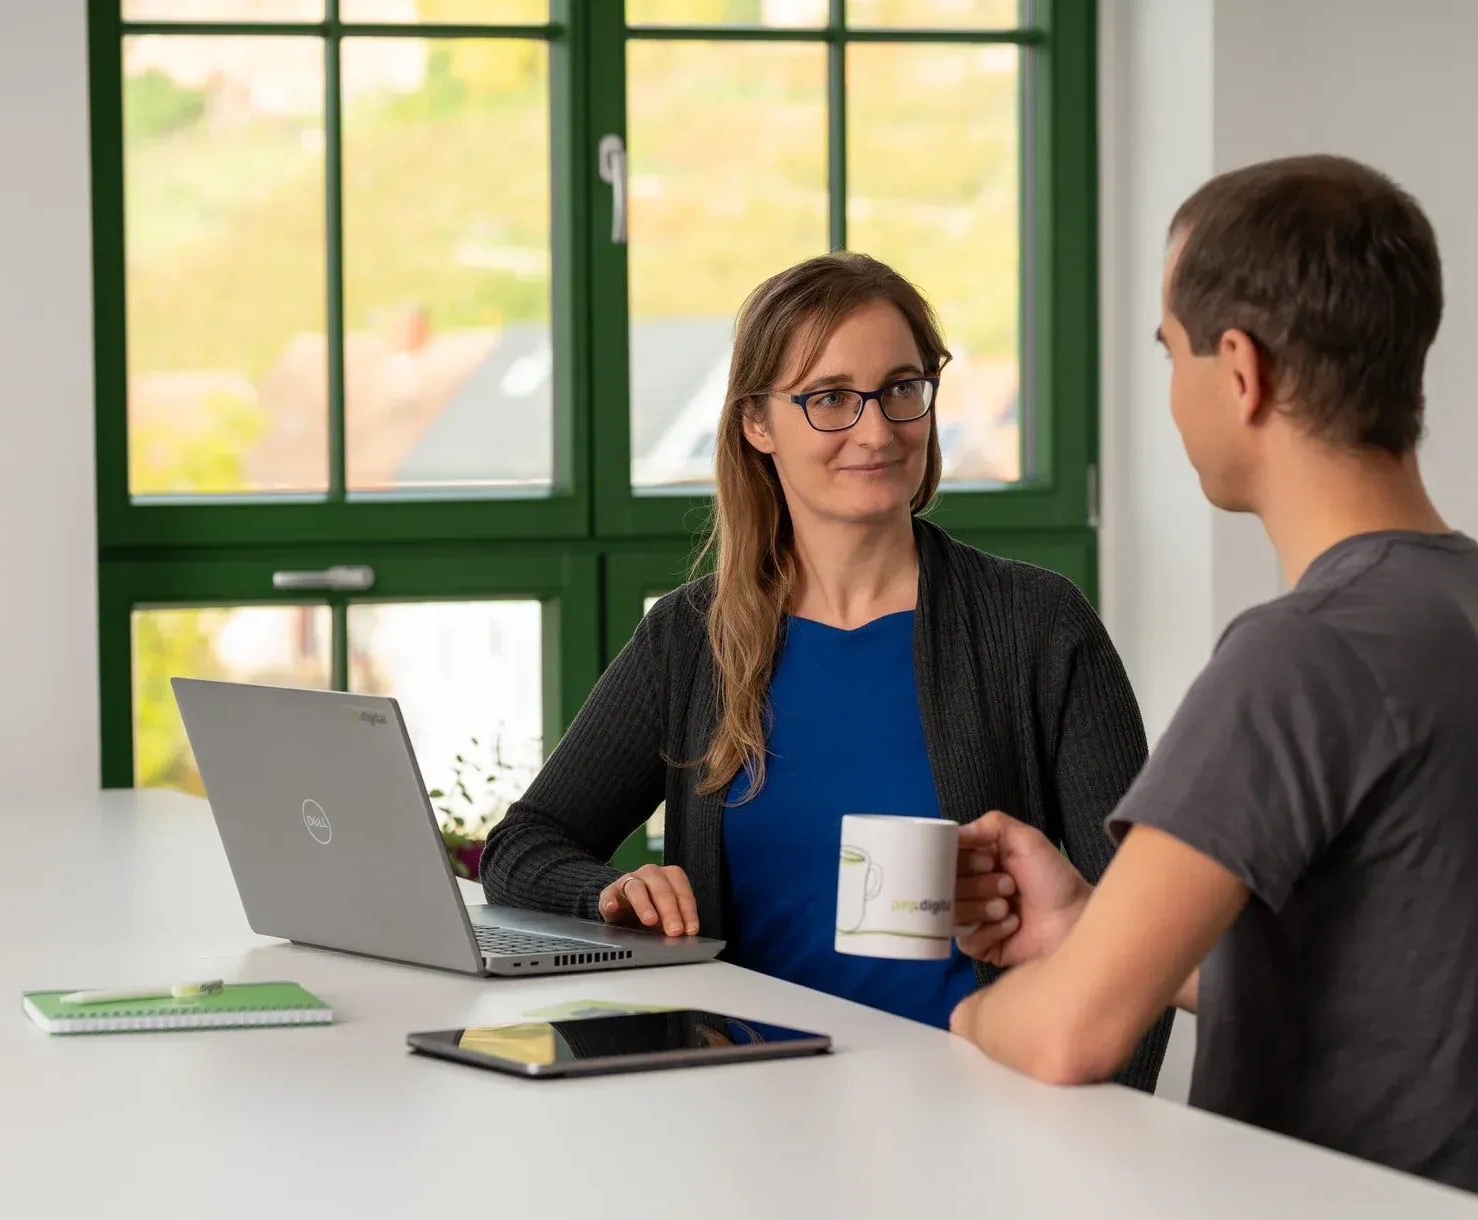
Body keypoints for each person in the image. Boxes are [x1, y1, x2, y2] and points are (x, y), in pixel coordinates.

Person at [949, 155, 1478, 1220]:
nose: (1171, 385)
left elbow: (1067, 1035)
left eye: (1170, 351)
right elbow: (1404, 994)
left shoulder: (1300, 652)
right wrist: (1093, 928)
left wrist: (983, 1020)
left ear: (1240, 370)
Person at [481, 252, 1172, 1083]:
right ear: (757, 424)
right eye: (831, 399)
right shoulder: (690, 638)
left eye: (901, 388)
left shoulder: (1037, 627)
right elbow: (523, 846)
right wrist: (608, 894)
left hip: (981, 1114)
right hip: (744, 1111)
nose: (877, 430)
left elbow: (1147, 930)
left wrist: (1100, 1121)